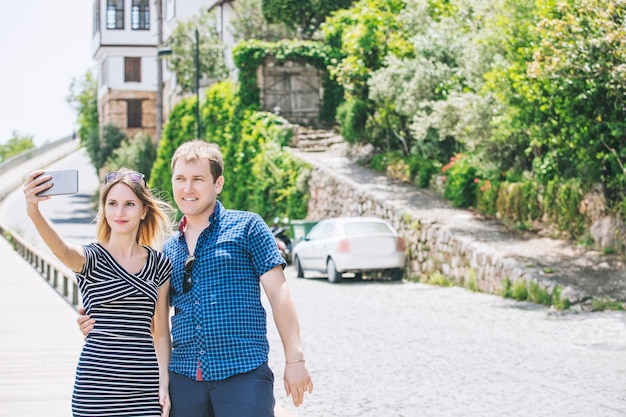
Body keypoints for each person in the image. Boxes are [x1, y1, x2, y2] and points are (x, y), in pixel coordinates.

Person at [79, 140, 313, 417]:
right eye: (180, 179)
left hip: (243, 373)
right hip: (184, 379)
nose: (187, 188)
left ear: (218, 184)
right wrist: (101, 319)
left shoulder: (248, 227)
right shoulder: (166, 250)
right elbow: (154, 319)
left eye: (198, 179)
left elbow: (279, 294)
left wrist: (295, 359)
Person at [24, 168, 174, 417]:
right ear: (104, 208)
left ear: (144, 210)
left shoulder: (159, 264)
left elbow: (160, 333)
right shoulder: (90, 258)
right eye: (112, 203)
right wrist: (33, 211)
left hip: (145, 389)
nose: (119, 212)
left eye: (129, 204)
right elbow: (61, 250)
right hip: (95, 388)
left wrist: (164, 383)